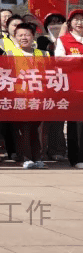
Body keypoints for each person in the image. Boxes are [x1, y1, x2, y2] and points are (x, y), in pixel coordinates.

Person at [8, 23, 47, 168]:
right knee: (22, 128)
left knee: (36, 128)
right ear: (15, 37)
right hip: (19, 97)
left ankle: (37, 157)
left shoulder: (43, 54)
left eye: (27, 35)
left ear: (33, 36)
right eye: (20, 35)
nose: (24, 38)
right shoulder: (10, 54)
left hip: (38, 97)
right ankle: (25, 157)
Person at [57, 9, 83, 168]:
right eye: (76, 19)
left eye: (82, 19)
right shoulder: (64, 40)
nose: (80, 22)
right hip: (74, 86)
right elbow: (59, 59)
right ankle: (77, 158)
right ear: (70, 23)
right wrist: (78, 58)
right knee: (77, 123)